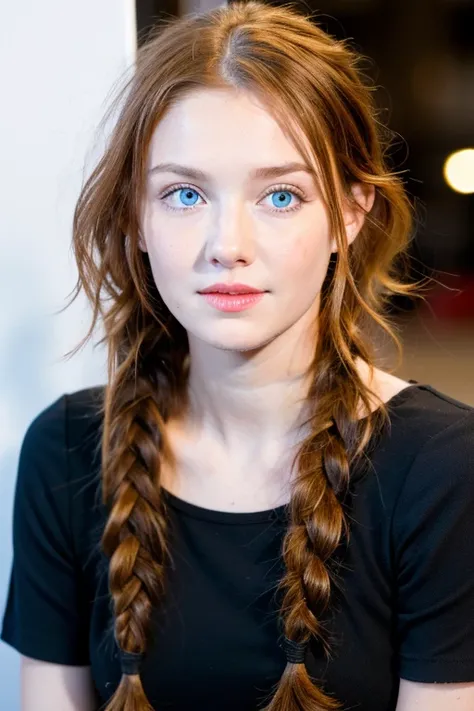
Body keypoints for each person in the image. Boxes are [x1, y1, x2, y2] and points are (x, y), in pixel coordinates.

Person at [2, 2, 474, 710]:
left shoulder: (440, 467)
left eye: (281, 195)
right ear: (136, 214)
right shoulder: (66, 451)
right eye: (185, 193)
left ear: (351, 212)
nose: (228, 241)